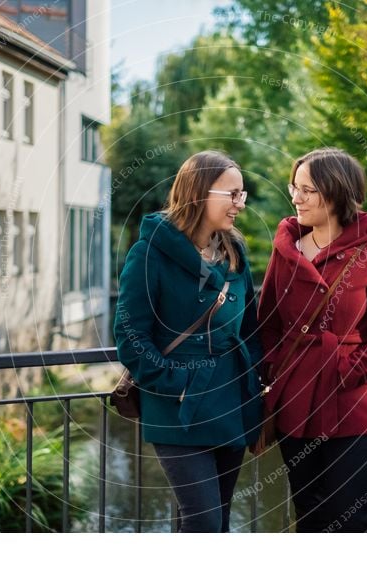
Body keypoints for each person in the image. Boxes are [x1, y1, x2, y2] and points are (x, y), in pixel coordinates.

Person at [257, 147, 367, 532]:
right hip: (295, 399)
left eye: (307, 190)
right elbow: (269, 322)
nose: (296, 197)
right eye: (294, 187)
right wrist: (278, 370)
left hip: (351, 403)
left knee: (350, 518)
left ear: (336, 192)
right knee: (308, 514)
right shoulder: (286, 249)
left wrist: (352, 371)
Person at [114, 150, 263, 533]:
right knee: (205, 524)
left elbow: (250, 326)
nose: (239, 204)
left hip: (230, 400)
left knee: (215, 521)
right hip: (177, 407)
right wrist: (178, 386)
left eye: (242, 194)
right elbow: (130, 336)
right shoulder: (149, 253)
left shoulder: (234, 251)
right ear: (199, 192)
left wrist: (254, 383)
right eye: (232, 194)